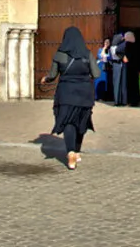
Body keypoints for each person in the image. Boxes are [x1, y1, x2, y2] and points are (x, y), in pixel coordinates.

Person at [41, 26, 100, 170]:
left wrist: (46, 79)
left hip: (66, 92)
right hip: (84, 93)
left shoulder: (60, 55)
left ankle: (71, 152)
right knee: (81, 121)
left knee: (68, 122)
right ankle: (77, 152)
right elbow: (96, 74)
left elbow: (53, 75)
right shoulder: (87, 54)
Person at [120, 30, 140, 107]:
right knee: (136, 85)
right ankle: (136, 101)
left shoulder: (128, 45)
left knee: (131, 85)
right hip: (136, 68)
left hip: (130, 68)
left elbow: (127, 58)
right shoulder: (137, 45)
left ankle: (132, 102)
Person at [111, 32, 128, 106]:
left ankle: (122, 100)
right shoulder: (113, 47)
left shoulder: (118, 46)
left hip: (120, 64)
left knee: (122, 83)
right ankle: (117, 101)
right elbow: (116, 54)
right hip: (117, 64)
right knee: (117, 83)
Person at [95, 37, 111, 101]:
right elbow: (99, 56)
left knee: (105, 82)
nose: (106, 43)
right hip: (100, 66)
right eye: (105, 42)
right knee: (98, 81)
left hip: (106, 67)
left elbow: (108, 57)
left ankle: (104, 96)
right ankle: (97, 96)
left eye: (108, 42)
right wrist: (104, 48)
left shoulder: (109, 50)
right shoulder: (100, 49)